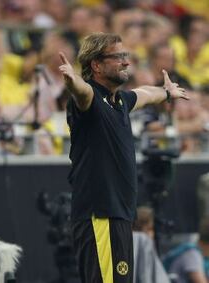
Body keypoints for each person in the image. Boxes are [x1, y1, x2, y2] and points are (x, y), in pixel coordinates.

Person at [58, 32, 189, 283]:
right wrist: (72, 81)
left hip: (118, 215)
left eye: (125, 55)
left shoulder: (119, 100)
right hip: (100, 216)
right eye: (117, 57)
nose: (126, 62)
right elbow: (82, 92)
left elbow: (146, 94)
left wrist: (167, 92)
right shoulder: (91, 99)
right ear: (96, 65)